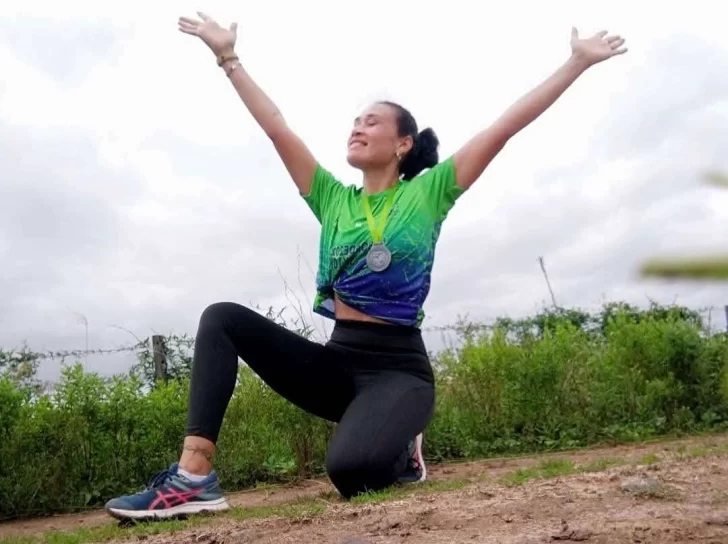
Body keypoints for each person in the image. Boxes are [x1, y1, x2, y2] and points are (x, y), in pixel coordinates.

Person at [104, 12, 627, 521]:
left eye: (371, 122)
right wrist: (228, 57)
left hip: (398, 370)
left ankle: (403, 444)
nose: (357, 128)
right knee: (222, 318)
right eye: (354, 122)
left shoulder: (430, 191)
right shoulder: (332, 198)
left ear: (403, 144)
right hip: (338, 364)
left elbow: (505, 125)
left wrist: (576, 63)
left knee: (352, 473)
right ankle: (194, 477)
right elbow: (276, 126)